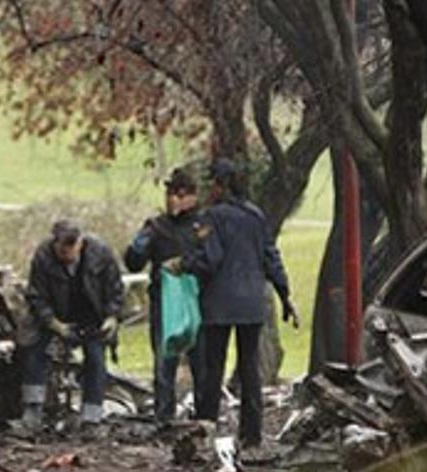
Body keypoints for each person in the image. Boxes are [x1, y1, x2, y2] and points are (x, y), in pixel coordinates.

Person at [169, 159, 298, 448]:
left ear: (221, 185)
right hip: (252, 304)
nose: (209, 189)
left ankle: (206, 429)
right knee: (249, 366)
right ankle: (252, 434)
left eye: (212, 182)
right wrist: (285, 294)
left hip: (219, 304)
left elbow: (210, 260)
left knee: (213, 366)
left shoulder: (210, 218)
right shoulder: (255, 215)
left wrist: (185, 264)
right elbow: (270, 256)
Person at [20, 220, 125, 431]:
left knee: (96, 359)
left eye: (71, 250)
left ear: (81, 243)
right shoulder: (43, 257)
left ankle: (91, 416)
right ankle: (33, 408)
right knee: (33, 347)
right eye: (62, 251)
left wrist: (112, 316)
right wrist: (53, 322)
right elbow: (36, 296)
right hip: (55, 314)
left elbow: (115, 288)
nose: (66, 256)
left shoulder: (101, 253)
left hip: (92, 315)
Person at [124, 168, 205, 424]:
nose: (174, 200)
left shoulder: (203, 225)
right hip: (164, 301)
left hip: (197, 300)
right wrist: (138, 247)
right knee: (164, 361)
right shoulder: (156, 226)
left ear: (193, 196)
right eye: (170, 193)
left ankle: (204, 416)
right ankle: (164, 417)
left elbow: (213, 259)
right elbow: (133, 263)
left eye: (180, 194)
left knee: (201, 362)